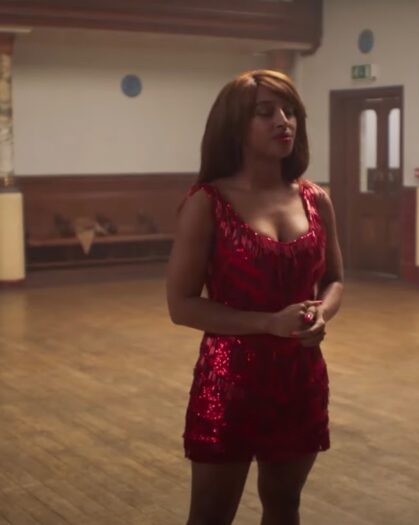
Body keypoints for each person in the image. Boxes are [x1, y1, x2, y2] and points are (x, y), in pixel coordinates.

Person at [166, 69, 344, 525]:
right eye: (265, 113)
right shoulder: (208, 202)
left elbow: (335, 280)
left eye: (290, 112)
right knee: (210, 515)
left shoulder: (314, 199)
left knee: (285, 506)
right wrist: (268, 323)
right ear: (236, 127)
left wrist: (320, 314)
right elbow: (182, 305)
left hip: (300, 377)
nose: (283, 121)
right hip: (230, 381)